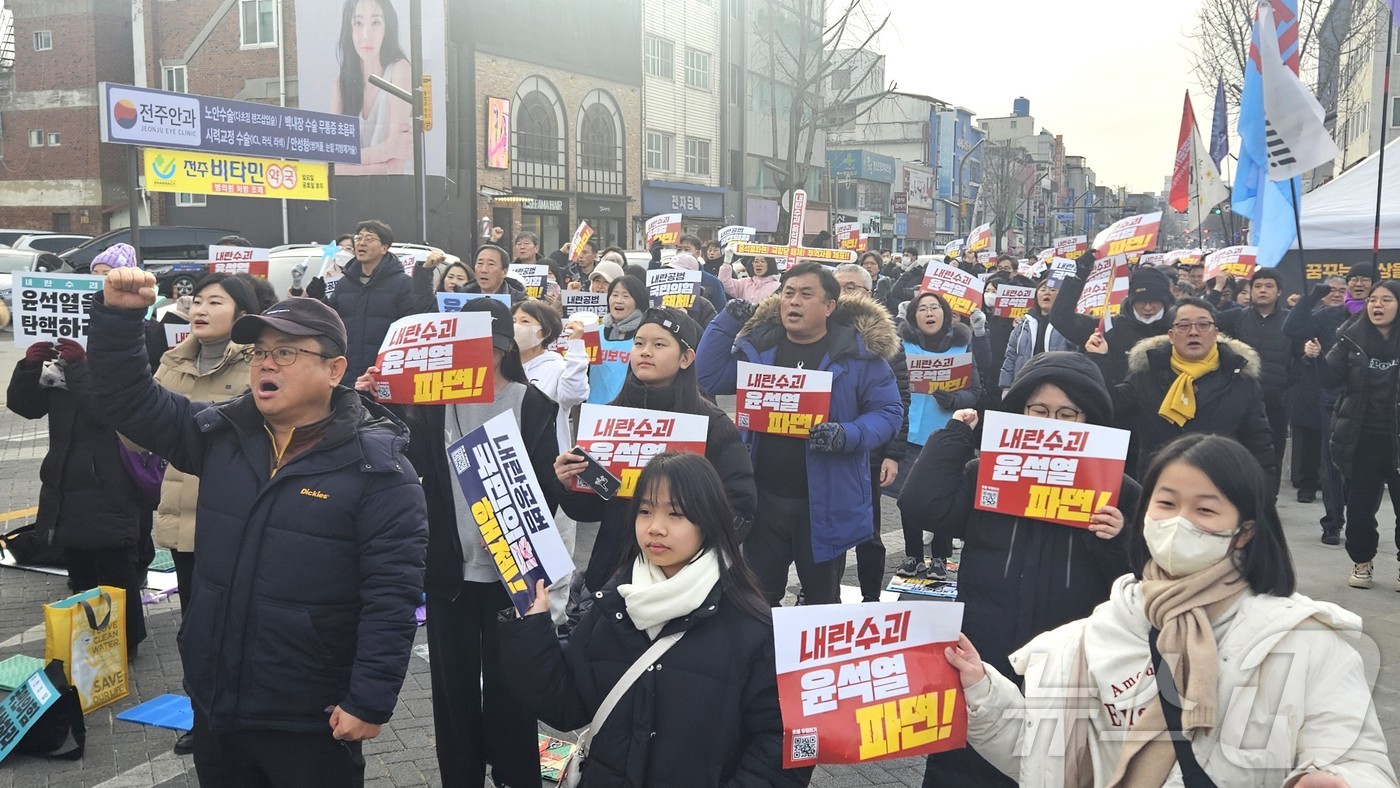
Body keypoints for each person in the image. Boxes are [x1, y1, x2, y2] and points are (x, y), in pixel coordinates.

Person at [89, 272, 427, 787]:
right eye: (259, 352)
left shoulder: (379, 471)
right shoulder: (219, 433)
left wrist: (369, 700)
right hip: (217, 701)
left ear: (334, 369)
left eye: (286, 352)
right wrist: (118, 318)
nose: (267, 363)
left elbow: (392, 596)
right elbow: (129, 401)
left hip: (311, 715)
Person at [947, 434, 1396, 786]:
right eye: (1166, 503)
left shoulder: (1302, 640)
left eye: (1205, 509)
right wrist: (982, 690)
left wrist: (1337, 780)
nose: (1180, 521)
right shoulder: (1086, 639)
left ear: (1244, 531)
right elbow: (1043, 757)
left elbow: (1357, 757)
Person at [900, 351, 1138, 788]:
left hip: (1068, 669)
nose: (1053, 424)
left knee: (1051, 765)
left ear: (1089, 420)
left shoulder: (1120, 492)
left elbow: (1140, 584)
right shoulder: (987, 473)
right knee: (964, 765)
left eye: (1068, 414)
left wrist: (1118, 540)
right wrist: (955, 436)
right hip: (983, 654)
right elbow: (921, 505)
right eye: (1039, 411)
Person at [506, 453, 811, 787]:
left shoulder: (752, 626)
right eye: (645, 511)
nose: (655, 527)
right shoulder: (613, 604)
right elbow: (566, 706)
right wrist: (531, 628)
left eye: (675, 514)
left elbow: (780, 747)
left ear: (709, 520)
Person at [362, 298, 558, 788]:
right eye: (472, 344)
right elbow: (394, 450)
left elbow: (547, 488)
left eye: (492, 344)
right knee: (453, 689)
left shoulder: (534, 404)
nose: (482, 354)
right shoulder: (429, 404)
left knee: (512, 683)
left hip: (514, 574)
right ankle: (460, 776)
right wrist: (372, 398)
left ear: (507, 347)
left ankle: (516, 775)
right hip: (449, 570)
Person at [696, 263, 902, 605]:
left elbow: (888, 413)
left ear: (829, 306)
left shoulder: (858, 354)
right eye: (788, 293)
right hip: (763, 498)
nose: (794, 301)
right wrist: (727, 321)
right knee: (759, 600)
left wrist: (846, 434)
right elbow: (708, 376)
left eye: (806, 294)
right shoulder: (760, 348)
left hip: (825, 502)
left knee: (821, 602)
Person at [554, 307, 756, 597]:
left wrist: (689, 548)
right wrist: (569, 482)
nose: (645, 352)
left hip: (684, 582)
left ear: (686, 358)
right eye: (639, 343)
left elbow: (741, 507)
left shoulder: (712, 425)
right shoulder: (608, 420)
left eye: (659, 344)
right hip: (613, 577)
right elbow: (590, 510)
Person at [143, 273, 259, 754]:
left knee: (241, 624)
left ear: (242, 314)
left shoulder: (259, 360)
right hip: (184, 517)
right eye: (197, 301)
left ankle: (246, 715)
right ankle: (203, 717)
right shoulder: (172, 361)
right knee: (195, 629)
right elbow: (137, 433)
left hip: (238, 518)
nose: (201, 309)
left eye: (216, 301)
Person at [8, 336, 151, 659]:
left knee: (117, 570)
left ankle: (126, 642)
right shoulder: (58, 371)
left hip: (111, 485)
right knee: (80, 569)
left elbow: (104, 413)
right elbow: (25, 406)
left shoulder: (120, 362)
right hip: (64, 484)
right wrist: (29, 367)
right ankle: (90, 640)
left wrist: (80, 367)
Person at [1087, 297, 1275, 480]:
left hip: (1219, 484)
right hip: (1158, 484)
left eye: (1203, 325)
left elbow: (1259, 443)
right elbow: (1112, 406)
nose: (1193, 332)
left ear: (1216, 333)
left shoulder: (1239, 378)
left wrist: (1264, 493)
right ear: (1171, 335)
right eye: (1183, 326)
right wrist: (1099, 359)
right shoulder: (1147, 374)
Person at [889, 291, 983, 581]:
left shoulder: (962, 347)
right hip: (912, 433)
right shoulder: (902, 347)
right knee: (909, 497)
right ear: (913, 316)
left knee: (944, 497)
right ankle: (913, 556)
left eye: (934, 308)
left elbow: (975, 391)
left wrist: (955, 400)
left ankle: (940, 558)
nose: (929, 313)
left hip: (948, 435)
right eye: (922, 309)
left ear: (945, 314)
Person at [513, 299, 590, 622]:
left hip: (551, 474)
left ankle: (553, 625)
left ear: (543, 331)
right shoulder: (504, 366)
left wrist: (576, 348)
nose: (516, 326)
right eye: (514, 319)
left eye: (524, 321)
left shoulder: (554, 366)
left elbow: (574, 394)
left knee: (554, 553)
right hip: (513, 469)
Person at [1287, 265, 1374, 543]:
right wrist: (1312, 296)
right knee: (1332, 465)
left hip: (1372, 403)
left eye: (1365, 279)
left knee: (1366, 467)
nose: (1358, 283)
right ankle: (1333, 522)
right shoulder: (1329, 316)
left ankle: (1361, 522)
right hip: (1333, 402)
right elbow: (1291, 327)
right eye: (1353, 279)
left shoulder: (1382, 318)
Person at [1323, 280, 1400, 590]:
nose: (1377, 305)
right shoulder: (1350, 338)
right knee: (1359, 508)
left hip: (1397, 438)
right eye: (1373, 299)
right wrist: (1314, 357)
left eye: (1386, 299)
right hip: (1362, 437)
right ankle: (1362, 561)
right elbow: (1329, 379)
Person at [1215, 268, 1295, 494]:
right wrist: (1218, 288)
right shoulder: (1236, 317)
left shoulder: (1290, 321)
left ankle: (1269, 498)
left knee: (1273, 452)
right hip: (1240, 397)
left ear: (1279, 291)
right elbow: (1206, 316)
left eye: (1269, 286)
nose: (1263, 291)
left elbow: (1301, 358)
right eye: (1257, 286)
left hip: (1276, 399)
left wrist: (1289, 386)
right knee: (1238, 450)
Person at [1049, 258, 1173, 385]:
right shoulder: (1108, 328)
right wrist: (1078, 278)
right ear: (1131, 301)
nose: (1148, 307)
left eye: (1154, 301)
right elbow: (1061, 319)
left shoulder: (1177, 327)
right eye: (1141, 301)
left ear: (1165, 301)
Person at [326, 220, 416, 381]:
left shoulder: (403, 284)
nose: (361, 243)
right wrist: (318, 297)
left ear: (384, 248)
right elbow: (330, 323)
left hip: (383, 375)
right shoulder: (344, 284)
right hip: (347, 376)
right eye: (359, 238)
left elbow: (410, 330)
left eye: (369, 239)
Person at [331, 0, 411, 175]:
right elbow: (332, 165)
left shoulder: (400, 70)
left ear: (386, 27)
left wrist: (348, 165)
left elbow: (395, 168)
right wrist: (387, 149)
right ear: (349, 30)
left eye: (375, 22)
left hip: (394, 191)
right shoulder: (341, 84)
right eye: (358, 23)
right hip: (350, 192)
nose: (366, 35)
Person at [1290, 275, 1346, 508]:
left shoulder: (1353, 318)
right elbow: (1292, 336)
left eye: (1341, 290)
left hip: (1342, 388)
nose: (1336, 294)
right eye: (1331, 290)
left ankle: (1335, 486)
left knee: (1338, 442)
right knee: (1311, 440)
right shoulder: (1313, 318)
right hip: (1313, 385)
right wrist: (1307, 353)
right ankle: (1307, 484)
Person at [998, 271, 1077, 394]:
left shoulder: (1069, 324)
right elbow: (1011, 356)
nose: (1046, 292)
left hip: (1058, 387)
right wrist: (1006, 387)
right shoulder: (1023, 324)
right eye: (1042, 289)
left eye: (1053, 290)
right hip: (1025, 384)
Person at [589, 275, 648, 405]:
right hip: (593, 409)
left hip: (629, 410)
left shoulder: (646, 335)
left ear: (638, 301)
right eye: (614, 295)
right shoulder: (595, 333)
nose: (618, 301)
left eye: (626, 296)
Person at [660, 253, 719, 327]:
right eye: (669, 273)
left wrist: (686, 319)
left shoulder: (704, 306)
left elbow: (709, 333)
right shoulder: (657, 300)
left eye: (679, 274)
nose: (672, 278)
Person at [675, 235, 729, 310]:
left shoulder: (712, 282)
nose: (682, 253)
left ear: (697, 253)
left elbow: (721, 312)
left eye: (686, 249)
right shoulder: (667, 277)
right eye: (679, 249)